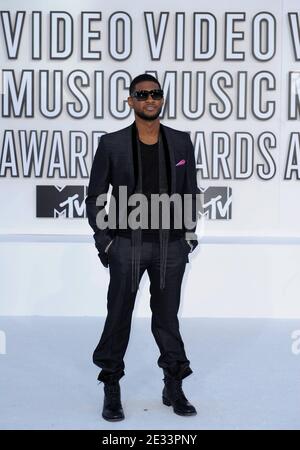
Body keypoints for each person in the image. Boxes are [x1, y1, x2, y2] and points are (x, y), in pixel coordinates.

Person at [85, 74, 201, 421]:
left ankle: (173, 384)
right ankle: (111, 386)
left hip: (170, 249)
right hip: (126, 246)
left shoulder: (181, 142)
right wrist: (106, 241)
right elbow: (95, 197)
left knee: (167, 320)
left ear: (162, 99)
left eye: (155, 93)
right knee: (118, 317)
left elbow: (191, 192)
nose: (150, 99)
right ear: (131, 101)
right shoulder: (112, 144)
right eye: (142, 94)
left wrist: (188, 238)